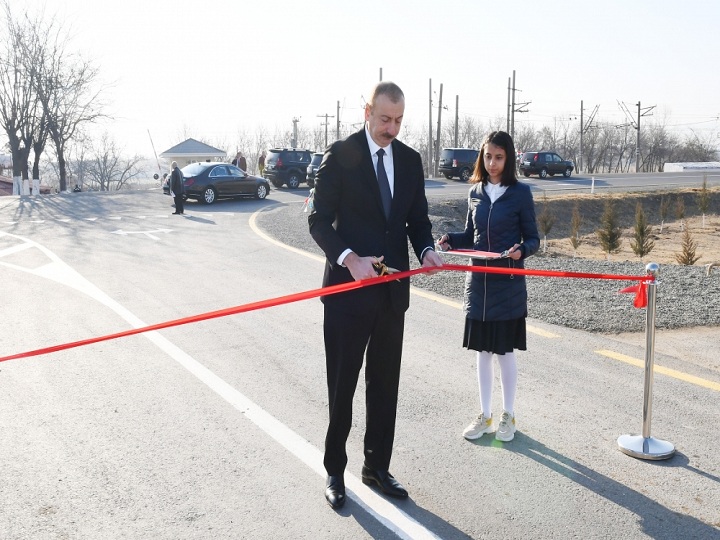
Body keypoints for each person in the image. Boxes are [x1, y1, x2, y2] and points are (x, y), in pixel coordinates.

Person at [308, 81, 443, 510]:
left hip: (391, 294)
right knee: (342, 387)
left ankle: (376, 467)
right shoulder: (341, 155)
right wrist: (349, 258)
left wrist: (426, 250)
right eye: (385, 119)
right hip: (349, 295)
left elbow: (416, 220)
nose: (392, 128)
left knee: (385, 386)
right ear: (368, 111)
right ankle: (334, 470)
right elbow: (317, 220)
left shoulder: (409, 160)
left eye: (399, 120)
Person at [437, 131, 539, 443]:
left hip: (507, 283)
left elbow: (533, 238)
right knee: (482, 352)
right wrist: (451, 240)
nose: (492, 163)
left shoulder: (520, 193)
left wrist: (522, 249)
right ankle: (485, 414)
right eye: (487, 156)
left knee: (504, 352)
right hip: (478, 284)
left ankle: (508, 415)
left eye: (498, 157)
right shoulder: (476, 192)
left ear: (508, 159)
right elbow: (472, 235)